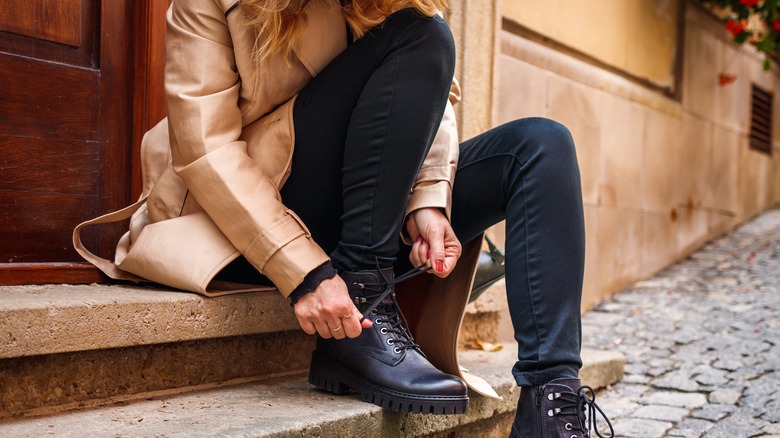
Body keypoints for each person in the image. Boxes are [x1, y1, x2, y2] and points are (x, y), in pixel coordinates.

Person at [74, 0, 613, 436]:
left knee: (540, 147)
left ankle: (551, 404)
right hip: (252, 217)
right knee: (421, 35)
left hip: (366, 215)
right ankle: (363, 301)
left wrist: (426, 201)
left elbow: (432, 102)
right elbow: (205, 151)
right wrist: (306, 272)